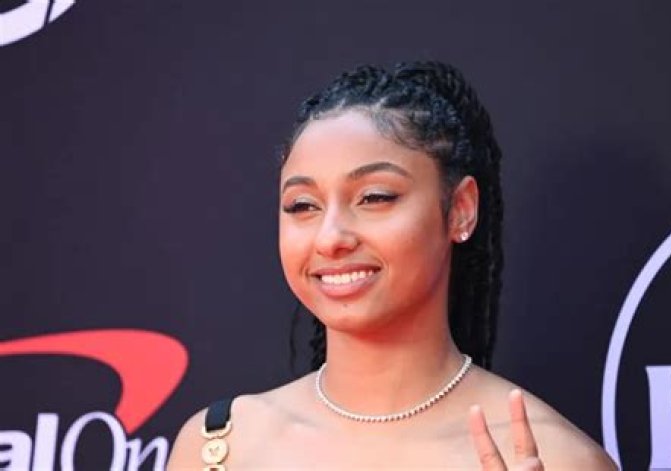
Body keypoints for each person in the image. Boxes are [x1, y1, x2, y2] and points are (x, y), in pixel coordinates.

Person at [167, 61, 617, 470]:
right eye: (303, 205)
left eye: (375, 198)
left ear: (461, 210)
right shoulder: (218, 445)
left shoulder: (555, 458)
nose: (331, 237)